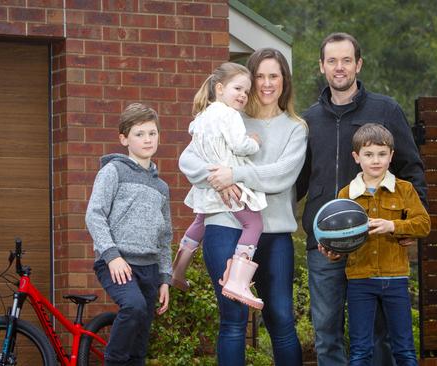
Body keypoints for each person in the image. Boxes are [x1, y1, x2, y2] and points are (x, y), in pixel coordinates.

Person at [296, 32, 428, 366]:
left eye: (346, 60)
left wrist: (405, 224)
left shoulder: (385, 109)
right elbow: (296, 182)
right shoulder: (308, 121)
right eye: (331, 61)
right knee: (327, 333)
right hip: (324, 245)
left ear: (359, 64)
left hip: (374, 242)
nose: (339, 68)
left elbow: (411, 168)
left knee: (377, 334)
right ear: (321, 66)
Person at [179, 48, 305, 365]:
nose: (265, 84)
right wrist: (217, 179)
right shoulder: (226, 116)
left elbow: (282, 176)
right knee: (232, 318)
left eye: (273, 76)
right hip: (226, 226)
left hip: (274, 233)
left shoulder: (295, 127)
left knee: (280, 318)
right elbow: (188, 159)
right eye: (259, 76)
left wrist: (234, 174)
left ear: (284, 81)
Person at [327, 123, 430, 365]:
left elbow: (423, 224)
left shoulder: (404, 190)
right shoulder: (345, 194)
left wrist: (393, 226)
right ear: (356, 157)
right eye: (369, 154)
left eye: (382, 154)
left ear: (391, 156)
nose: (376, 160)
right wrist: (333, 251)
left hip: (395, 279)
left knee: (404, 348)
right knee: (361, 349)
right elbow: (338, 238)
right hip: (360, 280)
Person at [171, 62, 266, 310]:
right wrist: (254, 142)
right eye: (238, 88)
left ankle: (178, 270)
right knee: (254, 223)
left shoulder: (201, 118)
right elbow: (238, 145)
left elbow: (196, 155)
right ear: (220, 88)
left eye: (247, 91)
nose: (243, 95)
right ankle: (237, 280)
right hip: (227, 185)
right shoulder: (230, 115)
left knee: (200, 221)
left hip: (207, 188)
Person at [85, 103, 171, 366]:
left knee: (141, 339)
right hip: (117, 263)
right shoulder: (113, 171)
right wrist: (112, 256)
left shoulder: (161, 186)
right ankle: (112, 361)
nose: (147, 139)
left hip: (149, 268)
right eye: (139, 134)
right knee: (133, 306)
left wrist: (165, 278)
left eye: (152, 133)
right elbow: (94, 214)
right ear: (124, 139)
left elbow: (165, 236)